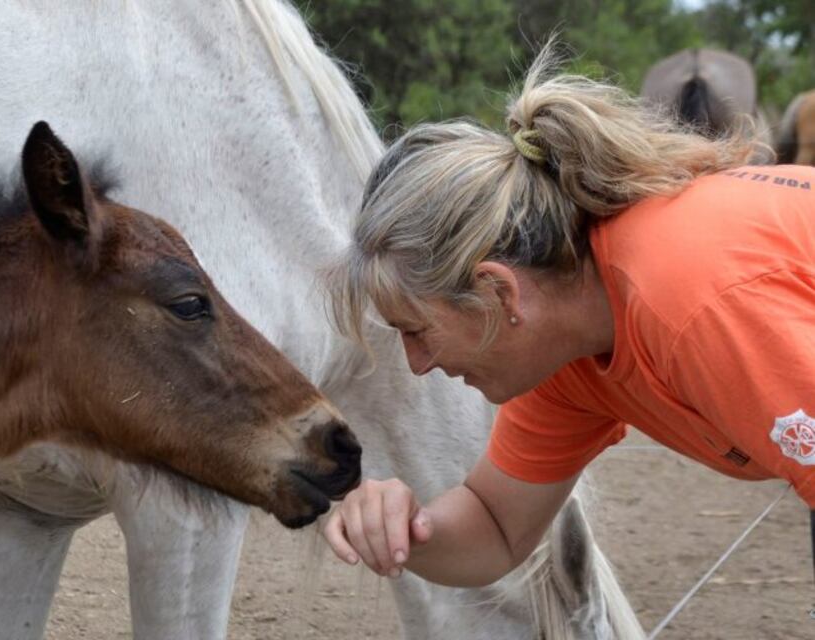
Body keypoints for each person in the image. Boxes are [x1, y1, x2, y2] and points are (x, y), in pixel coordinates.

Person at [323, 44, 815, 588]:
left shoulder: (691, 305)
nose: (417, 364)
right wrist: (404, 529)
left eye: (416, 331)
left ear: (498, 293)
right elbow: (495, 529)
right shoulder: (563, 351)